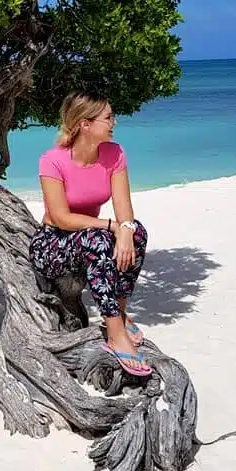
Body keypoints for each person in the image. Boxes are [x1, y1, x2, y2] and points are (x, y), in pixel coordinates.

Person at [29, 92, 151, 377]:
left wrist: (126, 230)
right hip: (52, 243)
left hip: (90, 236)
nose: (114, 123)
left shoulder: (114, 153)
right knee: (99, 240)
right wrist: (113, 227)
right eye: (108, 117)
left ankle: (119, 313)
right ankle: (115, 334)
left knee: (138, 233)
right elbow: (61, 217)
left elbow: (124, 209)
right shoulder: (52, 160)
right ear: (85, 124)